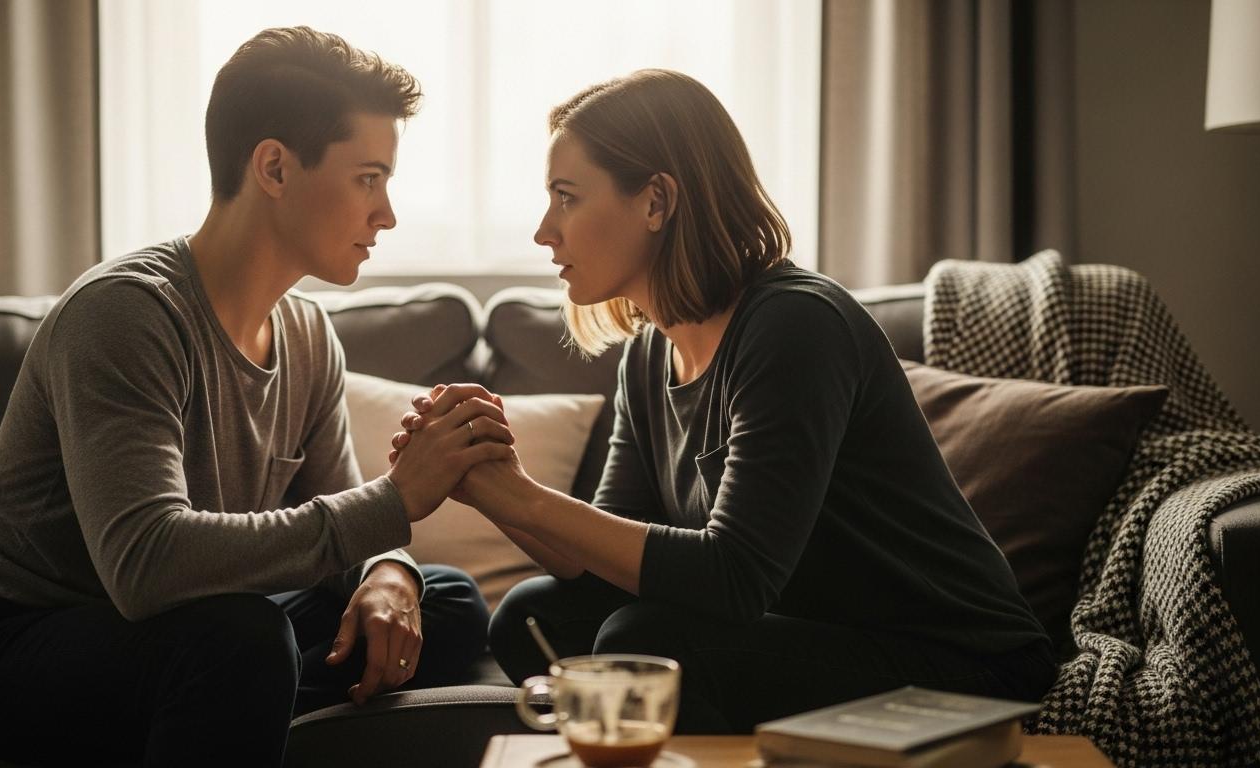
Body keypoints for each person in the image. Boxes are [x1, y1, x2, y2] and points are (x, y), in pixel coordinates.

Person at [0, 27, 514, 766]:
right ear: (275, 168)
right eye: (368, 178)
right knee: (239, 642)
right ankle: (235, 698)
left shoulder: (308, 334)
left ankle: (227, 712)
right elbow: (147, 563)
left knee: (438, 602)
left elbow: (346, 527)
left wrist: (387, 570)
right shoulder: (127, 314)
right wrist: (396, 499)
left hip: (168, 630)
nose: (387, 214)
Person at [394, 69, 1057, 733]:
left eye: (566, 198)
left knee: (650, 642)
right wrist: (484, 482)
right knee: (532, 615)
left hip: (965, 666)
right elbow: (599, 565)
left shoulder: (794, 326)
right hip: (810, 635)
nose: (544, 231)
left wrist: (524, 498)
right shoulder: (648, 356)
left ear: (656, 201)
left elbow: (735, 577)